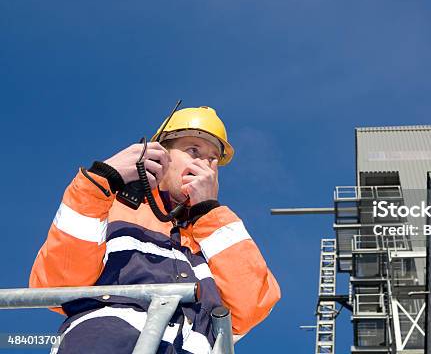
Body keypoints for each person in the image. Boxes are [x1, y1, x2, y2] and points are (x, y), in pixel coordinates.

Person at [29, 106, 281, 353]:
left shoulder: (216, 230)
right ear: (161, 156)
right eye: (194, 150)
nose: (204, 165)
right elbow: (58, 285)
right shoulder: (111, 209)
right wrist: (100, 180)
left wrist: (208, 212)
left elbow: (250, 308)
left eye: (212, 159)